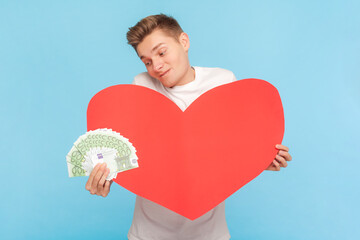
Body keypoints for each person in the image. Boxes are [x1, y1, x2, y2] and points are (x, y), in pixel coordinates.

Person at [85, 14, 292, 240]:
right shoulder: (141, 86)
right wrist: (106, 176)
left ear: (184, 41)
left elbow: (228, 148)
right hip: (149, 233)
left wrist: (258, 160)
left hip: (210, 233)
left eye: (161, 52)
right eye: (147, 61)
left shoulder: (222, 82)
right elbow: (136, 155)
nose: (157, 66)